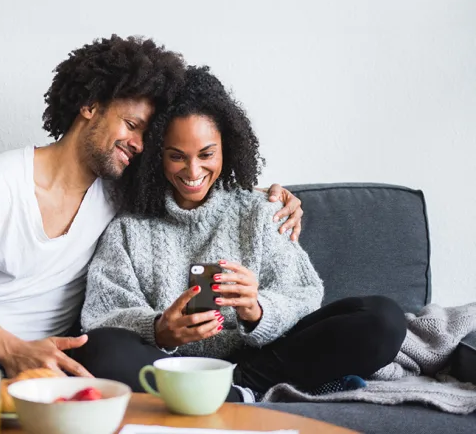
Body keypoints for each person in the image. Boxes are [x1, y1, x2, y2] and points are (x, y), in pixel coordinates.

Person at [0, 37, 303, 400]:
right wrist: (10, 349)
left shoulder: (122, 189)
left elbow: (198, 182)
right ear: (90, 106)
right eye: (132, 125)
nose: (139, 144)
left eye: (147, 135)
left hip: (50, 364)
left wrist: (271, 196)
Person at [72, 66, 407, 403]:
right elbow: (101, 317)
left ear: (226, 149)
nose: (193, 172)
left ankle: (237, 388)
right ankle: (235, 395)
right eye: (177, 156)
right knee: (99, 350)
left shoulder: (260, 211)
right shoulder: (128, 229)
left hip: (260, 362)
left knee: (384, 321)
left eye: (206, 155)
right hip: (172, 366)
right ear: (157, 154)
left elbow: (304, 295)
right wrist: (158, 329)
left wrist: (258, 309)